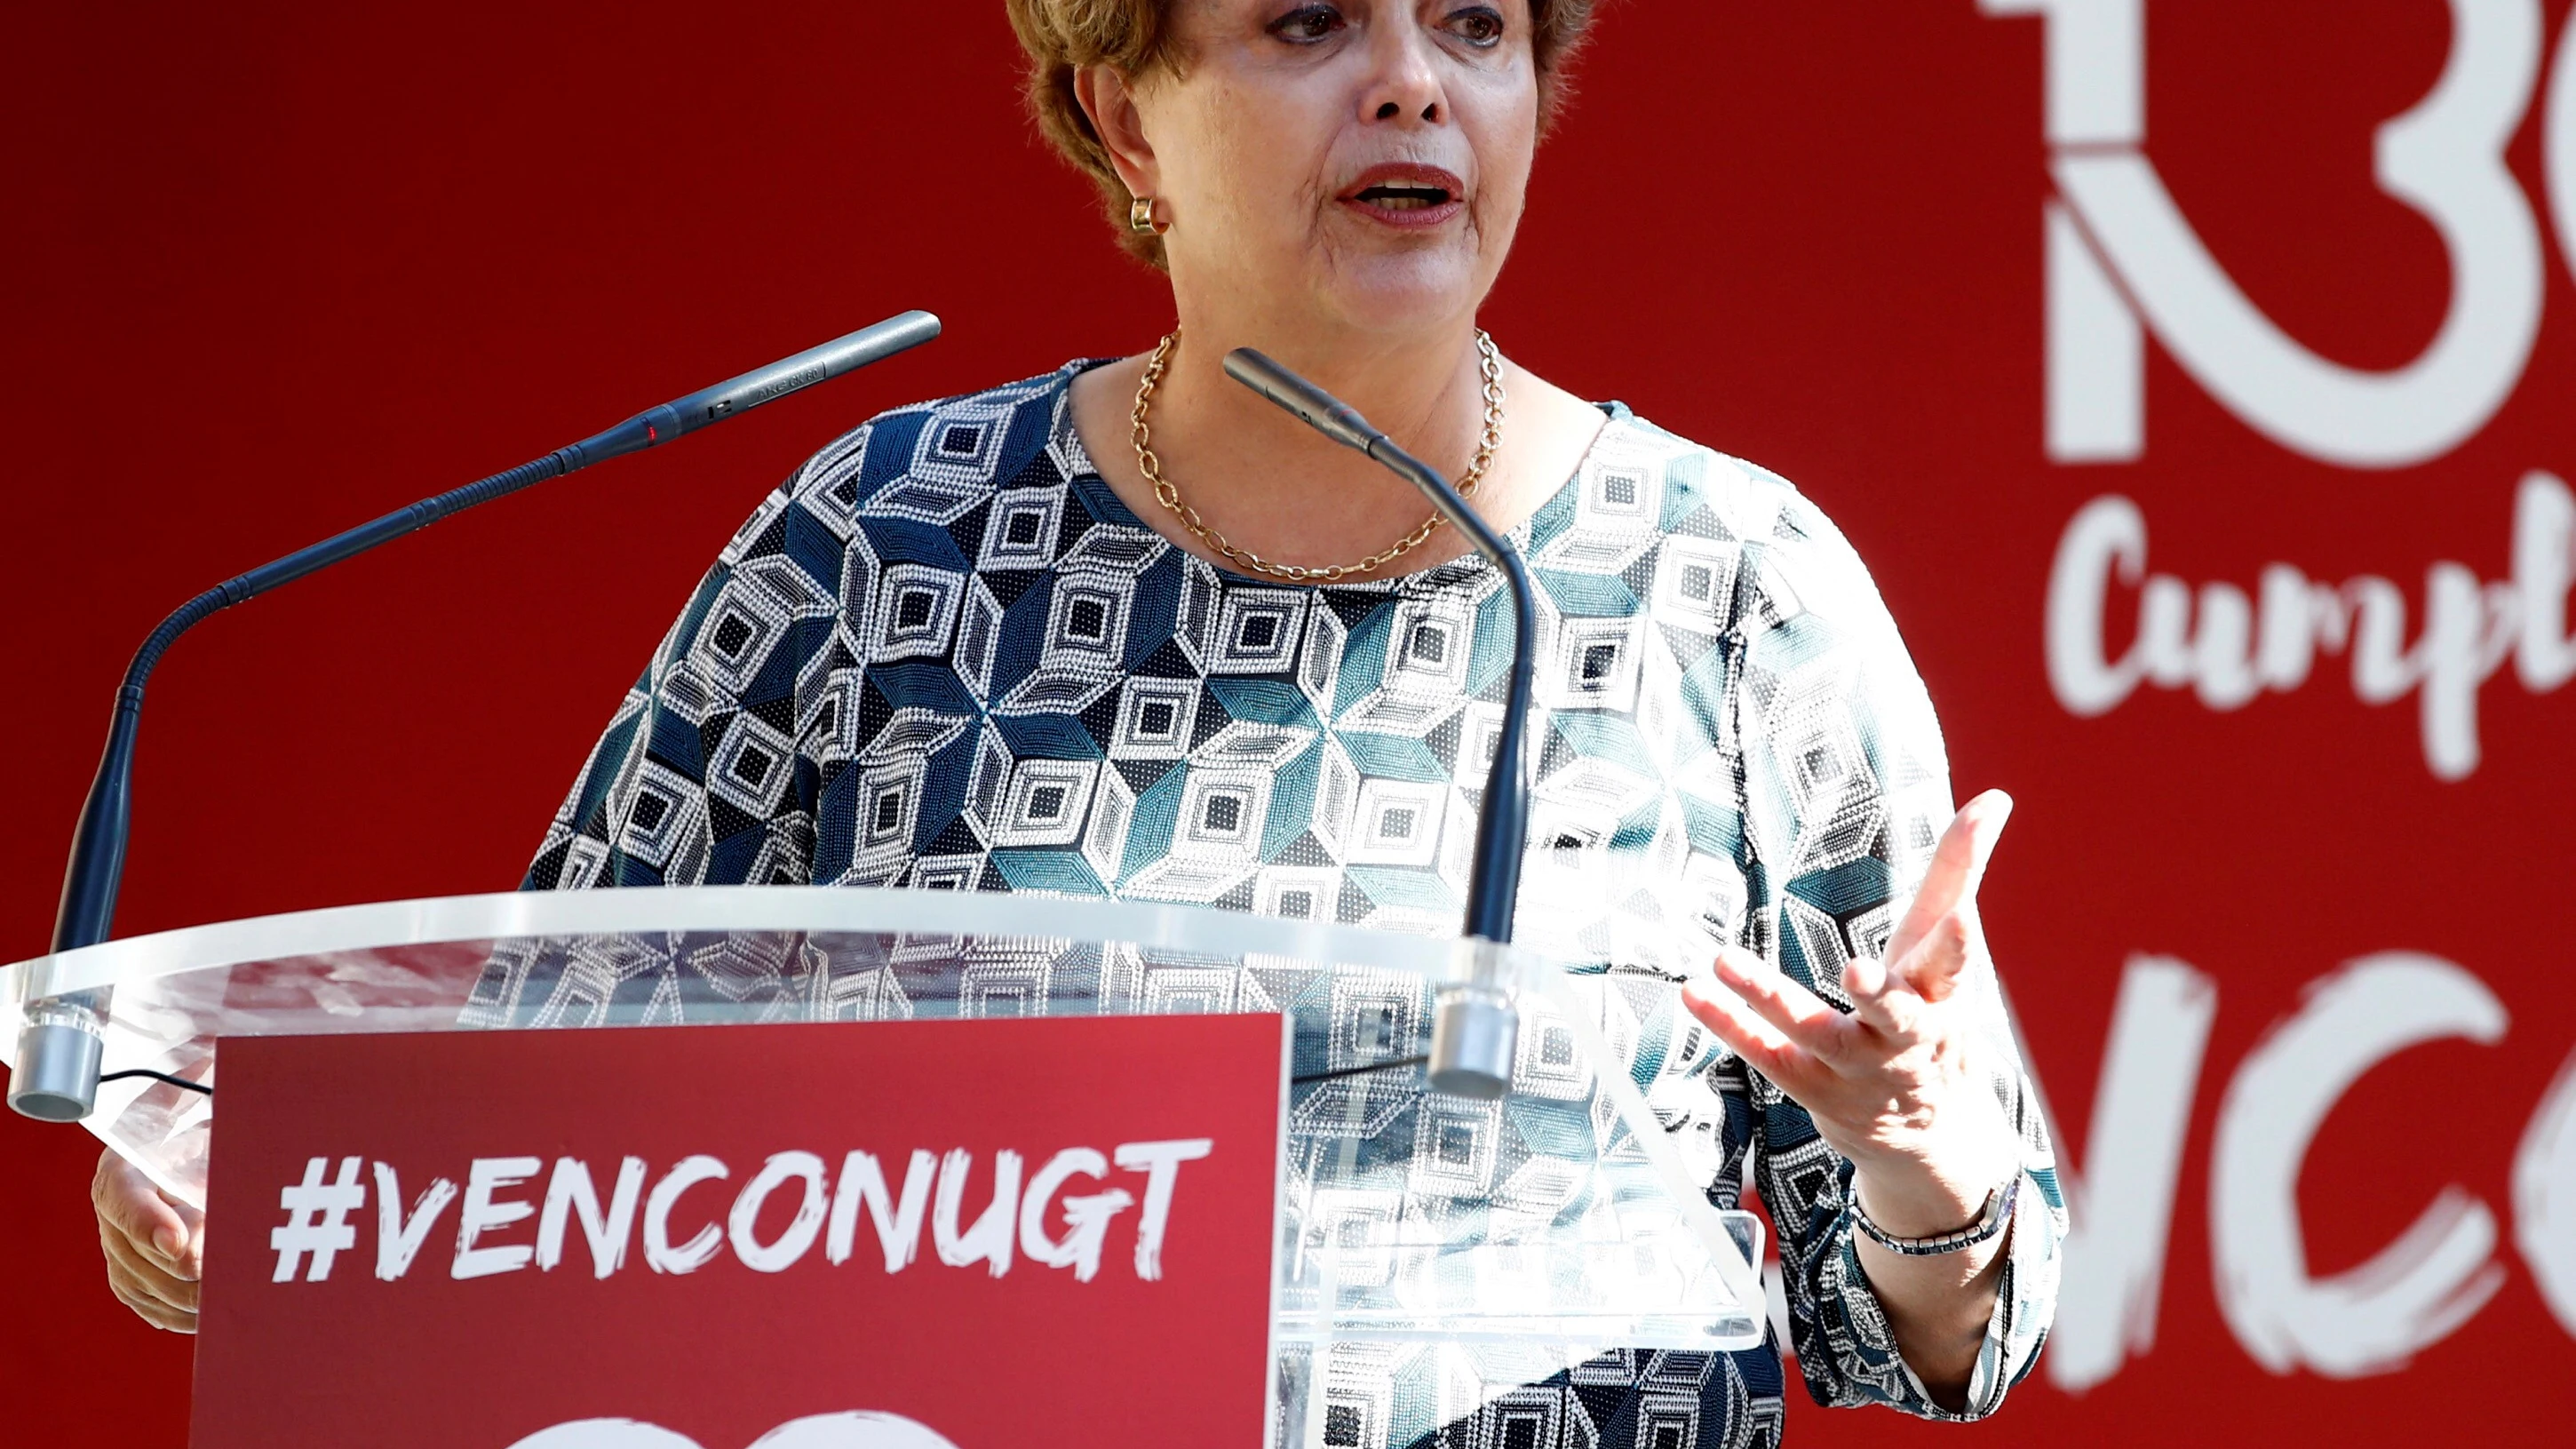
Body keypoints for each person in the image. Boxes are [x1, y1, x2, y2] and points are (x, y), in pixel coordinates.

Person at [95, 2, 2063, 1440]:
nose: (1412, 78)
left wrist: (1917, 1154)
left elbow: (1937, 1335)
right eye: (1309, 21)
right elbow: (543, 1132)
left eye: (1474, 23)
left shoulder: (1723, 577)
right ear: (1127, 118)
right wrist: (253, 1199)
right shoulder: (884, 544)